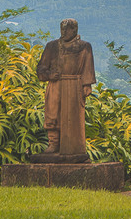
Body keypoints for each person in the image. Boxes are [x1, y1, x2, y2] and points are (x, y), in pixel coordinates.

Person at [36, 18, 95, 159]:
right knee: (53, 113)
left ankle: (74, 147)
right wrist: (50, 74)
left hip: (75, 85)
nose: (63, 32)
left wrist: (87, 84)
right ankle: (53, 143)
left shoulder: (84, 47)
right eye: (62, 29)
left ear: (75, 30)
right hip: (56, 85)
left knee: (73, 117)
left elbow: (88, 67)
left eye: (67, 29)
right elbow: (41, 68)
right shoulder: (52, 46)